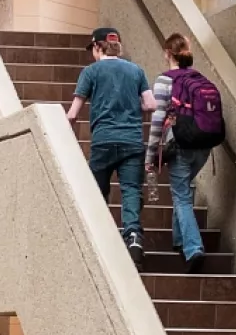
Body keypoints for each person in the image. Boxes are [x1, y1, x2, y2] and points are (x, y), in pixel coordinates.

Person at [67, 26, 155, 253]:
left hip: (103, 141)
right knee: (131, 190)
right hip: (132, 141)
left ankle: (100, 237)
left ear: (98, 46)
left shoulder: (91, 72)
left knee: (97, 189)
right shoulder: (136, 71)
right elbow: (151, 104)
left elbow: (73, 113)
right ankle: (134, 237)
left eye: (92, 49)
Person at [145, 34, 224, 265]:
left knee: (181, 196)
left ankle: (193, 248)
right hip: (204, 145)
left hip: (180, 144)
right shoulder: (200, 78)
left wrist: (151, 155)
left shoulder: (164, 80)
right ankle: (179, 240)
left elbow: (158, 119)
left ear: (167, 53)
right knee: (183, 191)